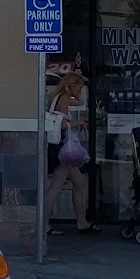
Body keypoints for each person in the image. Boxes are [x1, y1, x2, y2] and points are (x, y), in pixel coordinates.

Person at [44, 71, 95, 234]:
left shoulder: (57, 97)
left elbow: (80, 102)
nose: (80, 91)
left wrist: (77, 95)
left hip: (59, 146)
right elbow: (63, 125)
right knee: (57, 185)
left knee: (79, 182)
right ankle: (43, 223)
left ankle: (81, 220)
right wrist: (78, 122)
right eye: (79, 87)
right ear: (70, 86)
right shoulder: (64, 98)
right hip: (63, 149)